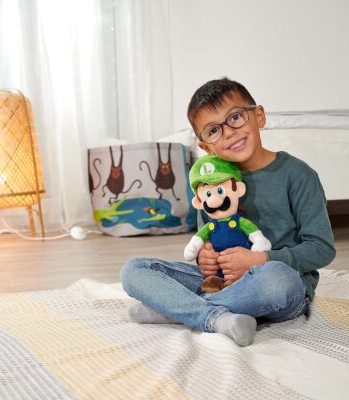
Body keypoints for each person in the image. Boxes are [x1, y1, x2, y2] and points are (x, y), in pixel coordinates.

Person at [120, 77, 336, 346]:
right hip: (221, 281)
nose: (229, 133)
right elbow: (207, 239)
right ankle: (214, 316)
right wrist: (205, 258)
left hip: (277, 286)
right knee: (134, 270)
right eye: (213, 130)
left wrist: (261, 260)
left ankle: (177, 310)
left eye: (235, 117)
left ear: (258, 116)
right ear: (205, 147)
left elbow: (322, 249)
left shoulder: (297, 175)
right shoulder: (209, 183)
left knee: (278, 279)